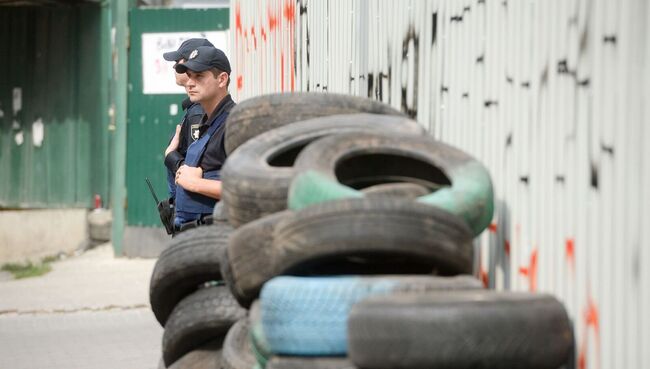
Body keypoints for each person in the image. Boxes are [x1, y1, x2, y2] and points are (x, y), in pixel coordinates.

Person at [164, 45, 236, 230]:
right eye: (189, 76)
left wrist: (195, 183)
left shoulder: (234, 125)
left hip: (215, 237)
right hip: (194, 236)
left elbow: (246, 189)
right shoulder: (208, 122)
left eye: (199, 76)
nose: (190, 83)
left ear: (222, 79)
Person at [162, 38, 214, 200]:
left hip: (193, 209)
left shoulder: (199, 111)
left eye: (178, 61)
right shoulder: (194, 108)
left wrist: (171, 157)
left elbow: (197, 166)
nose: (174, 66)